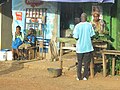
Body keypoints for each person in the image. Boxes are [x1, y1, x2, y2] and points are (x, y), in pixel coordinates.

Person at [73, 13, 95, 80]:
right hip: (88, 47)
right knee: (86, 63)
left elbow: (76, 37)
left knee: (79, 62)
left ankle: (79, 77)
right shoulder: (89, 25)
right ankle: (85, 76)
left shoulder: (77, 26)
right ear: (86, 18)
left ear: (81, 18)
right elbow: (92, 35)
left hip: (80, 48)